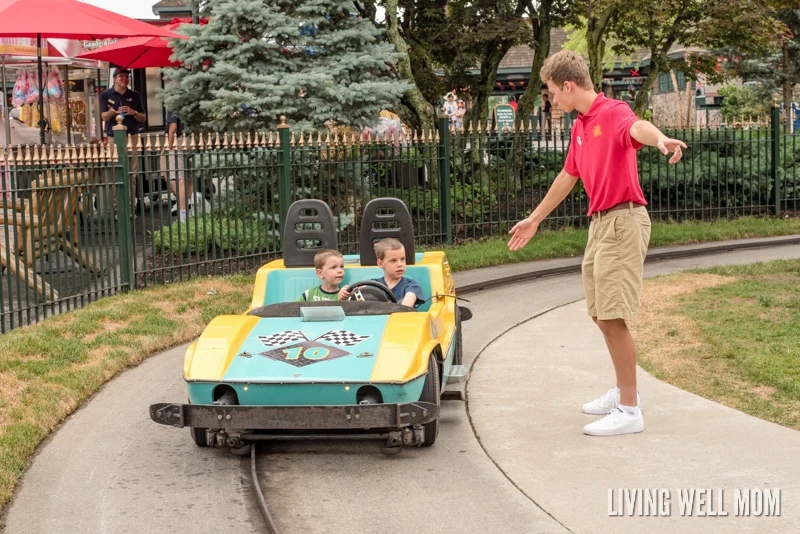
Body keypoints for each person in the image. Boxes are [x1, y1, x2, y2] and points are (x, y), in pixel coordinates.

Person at [507, 50, 687, 437]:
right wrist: (535, 219)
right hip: (601, 224)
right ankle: (623, 390)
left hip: (623, 221)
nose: (552, 99)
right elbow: (568, 176)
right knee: (599, 313)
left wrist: (660, 141)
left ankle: (630, 409)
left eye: (553, 92)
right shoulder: (581, 126)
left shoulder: (612, 111)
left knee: (611, 316)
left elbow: (638, 127)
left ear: (569, 86)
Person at [99, 68, 146, 208]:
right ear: (114, 79)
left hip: (132, 136)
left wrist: (133, 112)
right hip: (114, 137)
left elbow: (143, 118)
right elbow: (103, 117)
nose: (124, 79)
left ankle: (131, 207)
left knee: (132, 172)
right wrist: (112, 112)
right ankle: (117, 208)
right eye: (121, 76)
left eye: (126, 76)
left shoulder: (135, 95)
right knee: (117, 172)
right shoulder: (105, 95)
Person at [340, 238, 423, 307]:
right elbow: (356, 292)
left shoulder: (412, 285)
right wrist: (346, 293)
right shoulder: (372, 284)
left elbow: (406, 308)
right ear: (381, 263)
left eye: (402, 259)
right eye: (393, 260)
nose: (400, 264)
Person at [164, 110, 193, 222]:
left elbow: (173, 127)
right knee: (189, 176)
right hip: (192, 139)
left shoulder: (172, 102)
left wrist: (170, 146)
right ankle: (190, 210)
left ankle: (183, 215)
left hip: (179, 140)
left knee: (177, 178)